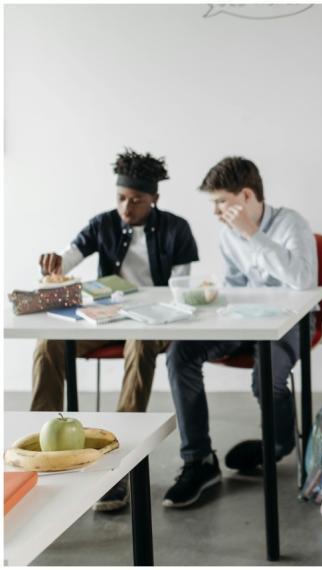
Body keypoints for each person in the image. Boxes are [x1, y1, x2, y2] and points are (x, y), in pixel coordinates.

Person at [32, 148, 199, 510]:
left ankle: (118, 461)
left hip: (154, 322)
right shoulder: (102, 223)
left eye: (136, 200)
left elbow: (182, 291)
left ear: (154, 198)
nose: (127, 207)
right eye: (121, 198)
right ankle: (41, 451)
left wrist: (152, 307)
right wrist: (53, 264)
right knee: (50, 345)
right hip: (107, 318)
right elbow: (68, 257)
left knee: (139, 345)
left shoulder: (177, 228)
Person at [163, 156, 317, 508]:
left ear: (246, 196)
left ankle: (278, 445)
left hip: (294, 319)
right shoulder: (226, 235)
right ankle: (198, 460)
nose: (216, 212)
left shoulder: (292, 224)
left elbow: (304, 282)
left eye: (221, 201)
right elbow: (235, 285)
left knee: (265, 376)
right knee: (180, 353)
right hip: (246, 317)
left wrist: (253, 235)